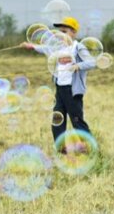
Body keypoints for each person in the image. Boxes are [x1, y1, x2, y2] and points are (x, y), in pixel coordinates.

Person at [22, 16, 98, 148]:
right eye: (59, 32)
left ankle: (91, 147)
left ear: (73, 33)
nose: (60, 35)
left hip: (72, 91)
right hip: (60, 89)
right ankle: (61, 149)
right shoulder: (57, 48)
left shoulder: (77, 48)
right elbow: (44, 48)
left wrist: (78, 66)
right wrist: (31, 46)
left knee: (77, 121)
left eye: (64, 32)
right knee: (57, 120)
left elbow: (92, 62)